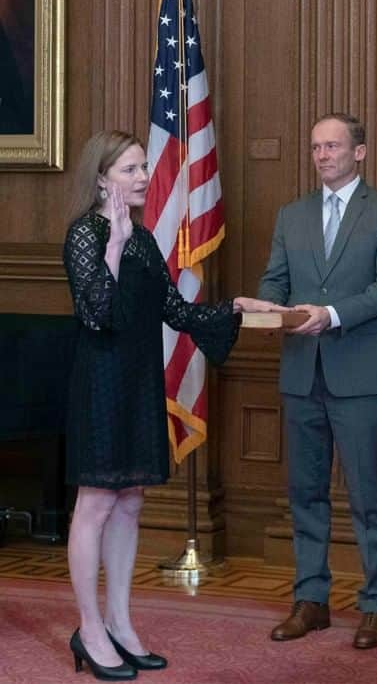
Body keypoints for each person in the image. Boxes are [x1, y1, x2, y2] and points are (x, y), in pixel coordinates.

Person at [63, 130, 282, 680]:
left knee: (131, 500)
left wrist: (234, 308)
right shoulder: (86, 235)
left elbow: (175, 310)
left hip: (138, 379)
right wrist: (112, 242)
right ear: (101, 179)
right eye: (130, 169)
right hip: (100, 383)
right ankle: (89, 629)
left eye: (142, 167)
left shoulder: (143, 239)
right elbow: (96, 313)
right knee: (95, 501)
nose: (142, 177)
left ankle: (120, 622)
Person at [257, 112, 377, 650]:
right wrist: (264, 307)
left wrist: (331, 313)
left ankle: (374, 605)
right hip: (302, 373)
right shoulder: (291, 215)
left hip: (361, 376)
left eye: (333, 146)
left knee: (368, 497)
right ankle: (311, 601)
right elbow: (275, 281)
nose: (323, 155)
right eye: (316, 147)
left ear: (359, 153)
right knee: (305, 494)